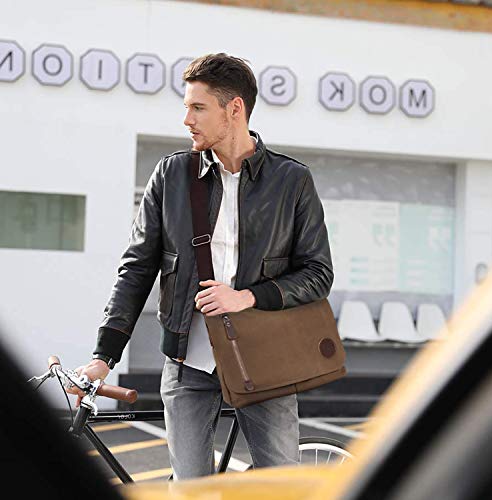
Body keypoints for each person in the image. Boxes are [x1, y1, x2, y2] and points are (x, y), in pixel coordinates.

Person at [67, 53, 333, 480]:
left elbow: (318, 273)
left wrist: (247, 297)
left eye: (198, 107)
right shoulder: (171, 175)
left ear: (234, 109)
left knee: (281, 482)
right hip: (187, 360)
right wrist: (104, 355)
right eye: (186, 107)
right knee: (190, 486)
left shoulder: (291, 181)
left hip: (265, 361)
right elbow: (136, 269)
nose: (186, 119)